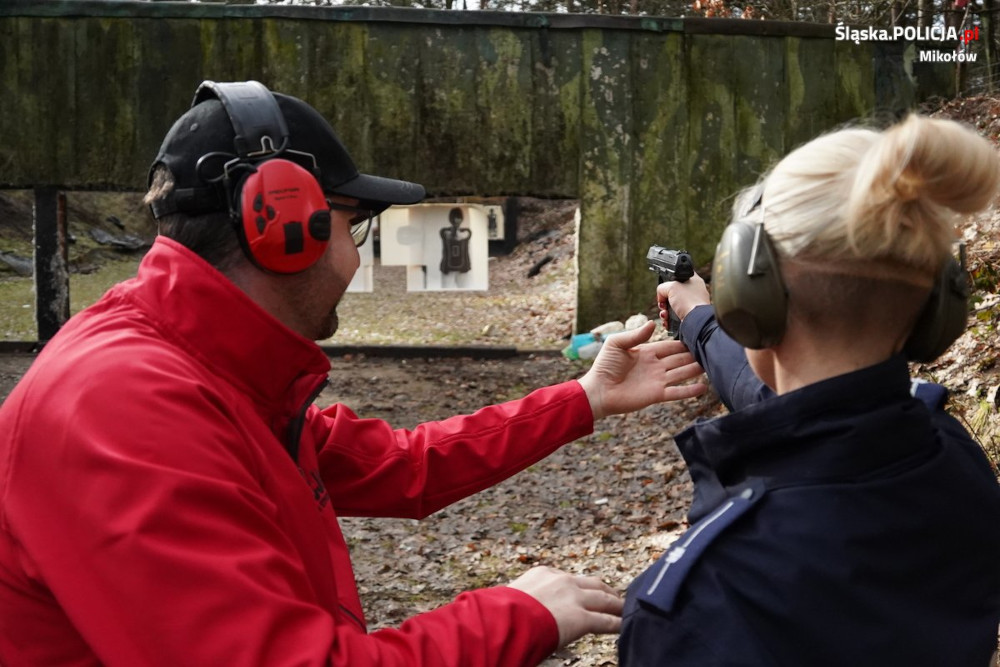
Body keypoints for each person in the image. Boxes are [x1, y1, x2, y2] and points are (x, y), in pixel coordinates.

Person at [0, 80, 706, 666]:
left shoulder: (212, 369)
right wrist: (517, 613)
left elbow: (403, 465)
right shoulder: (124, 406)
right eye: (353, 223)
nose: (357, 253)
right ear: (283, 224)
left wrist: (586, 396)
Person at [618, 114, 1000, 666]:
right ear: (939, 305)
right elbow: (799, 402)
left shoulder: (703, 601)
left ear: (748, 297)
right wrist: (699, 318)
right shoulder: (956, 459)